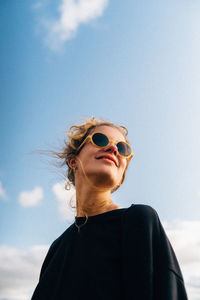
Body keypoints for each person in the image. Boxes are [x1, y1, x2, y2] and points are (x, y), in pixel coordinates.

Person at [31, 117, 188, 300]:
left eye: (122, 149)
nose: (113, 149)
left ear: (121, 176)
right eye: (100, 140)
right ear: (73, 161)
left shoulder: (139, 220)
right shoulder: (57, 248)